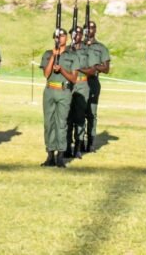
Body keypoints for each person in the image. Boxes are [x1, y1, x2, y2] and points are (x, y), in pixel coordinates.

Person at [40, 28, 79, 168]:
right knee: (49, 123)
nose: (59, 38)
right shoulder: (48, 54)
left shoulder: (72, 55)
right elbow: (46, 74)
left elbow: (74, 78)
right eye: (57, 36)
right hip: (50, 89)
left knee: (61, 123)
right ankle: (50, 155)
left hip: (64, 91)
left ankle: (61, 156)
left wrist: (62, 69)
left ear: (66, 38)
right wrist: (53, 56)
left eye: (62, 36)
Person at [66, 26, 96, 159]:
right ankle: (67, 147)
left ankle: (78, 146)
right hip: (68, 85)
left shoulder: (87, 51)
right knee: (67, 117)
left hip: (82, 85)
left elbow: (92, 71)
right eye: (74, 33)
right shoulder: (66, 50)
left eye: (79, 33)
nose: (76, 35)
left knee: (79, 117)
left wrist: (79, 68)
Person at [84, 21, 110, 152]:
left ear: (96, 30)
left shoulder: (101, 48)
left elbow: (106, 68)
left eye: (92, 28)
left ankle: (90, 142)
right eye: (87, 28)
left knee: (91, 113)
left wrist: (95, 67)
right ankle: (78, 141)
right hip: (79, 81)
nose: (89, 30)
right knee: (78, 112)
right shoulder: (78, 45)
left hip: (93, 82)